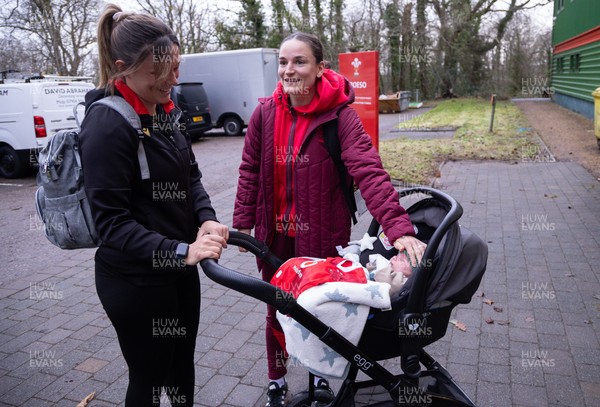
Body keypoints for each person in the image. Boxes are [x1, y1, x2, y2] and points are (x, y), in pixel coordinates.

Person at [233, 31, 426, 407]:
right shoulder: (264, 114)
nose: (289, 70)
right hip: (275, 236)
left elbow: (369, 171)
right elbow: (249, 171)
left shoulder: (341, 118)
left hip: (321, 234)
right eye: (284, 62)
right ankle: (276, 377)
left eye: (300, 61)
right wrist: (242, 224)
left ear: (320, 68)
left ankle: (320, 376)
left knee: (319, 309)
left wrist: (398, 227)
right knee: (277, 308)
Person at [79, 4, 228, 406]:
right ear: (123, 68)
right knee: (149, 380)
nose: (172, 81)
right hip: (137, 283)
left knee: (181, 370)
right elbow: (111, 224)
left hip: (180, 273)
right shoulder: (107, 124)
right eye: (159, 73)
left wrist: (206, 220)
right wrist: (183, 250)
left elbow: (190, 177)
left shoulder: (165, 111)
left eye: (176, 68)